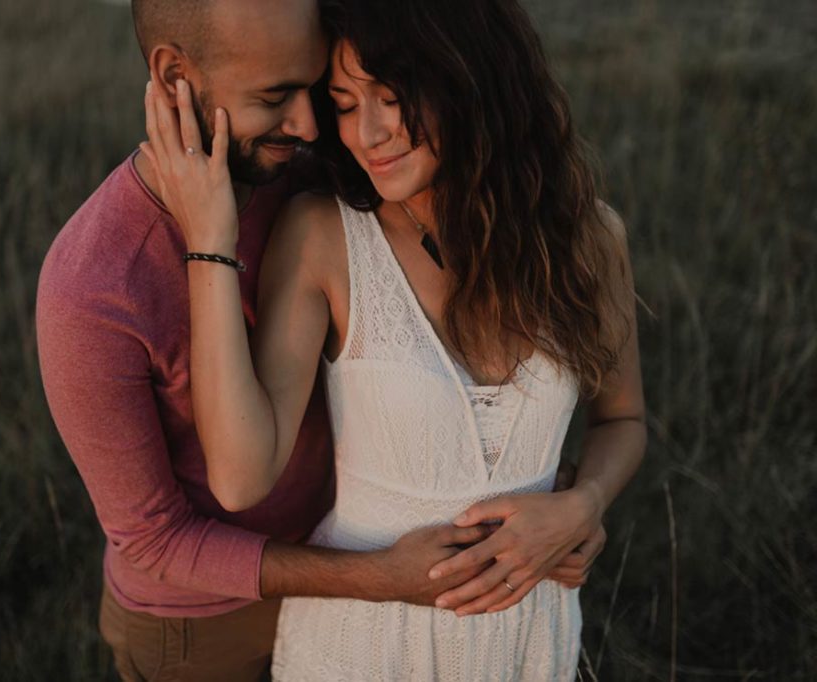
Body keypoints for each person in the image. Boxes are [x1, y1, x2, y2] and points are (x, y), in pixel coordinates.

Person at [38, 0, 606, 679]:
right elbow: (156, 539)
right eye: (276, 97)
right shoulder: (91, 290)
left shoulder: (319, 171)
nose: (310, 126)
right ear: (170, 76)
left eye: (313, 92)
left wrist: (574, 503)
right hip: (202, 627)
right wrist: (376, 579)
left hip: (382, 581)